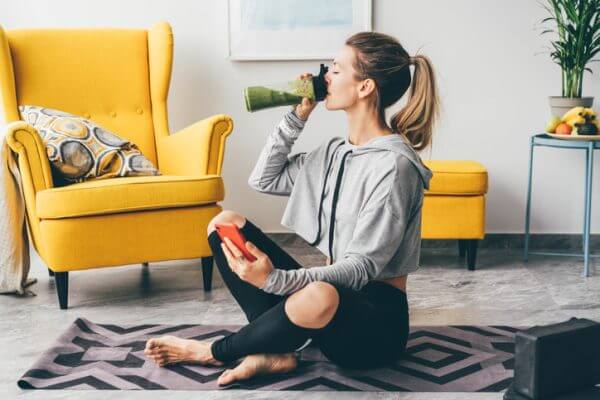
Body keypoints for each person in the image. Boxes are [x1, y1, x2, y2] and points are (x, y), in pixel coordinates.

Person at [145, 31, 440, 386]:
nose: (324, 77)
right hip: (326, 301)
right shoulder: (333, 153)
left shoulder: (394, 167)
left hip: (373, 328)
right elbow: (264, 179)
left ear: (364, 87)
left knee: (317, 294)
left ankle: (213, 350)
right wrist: (297, 115)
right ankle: (275, 351)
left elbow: (362, 268)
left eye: (334, 69)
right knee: (225, 224)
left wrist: (276, 281)